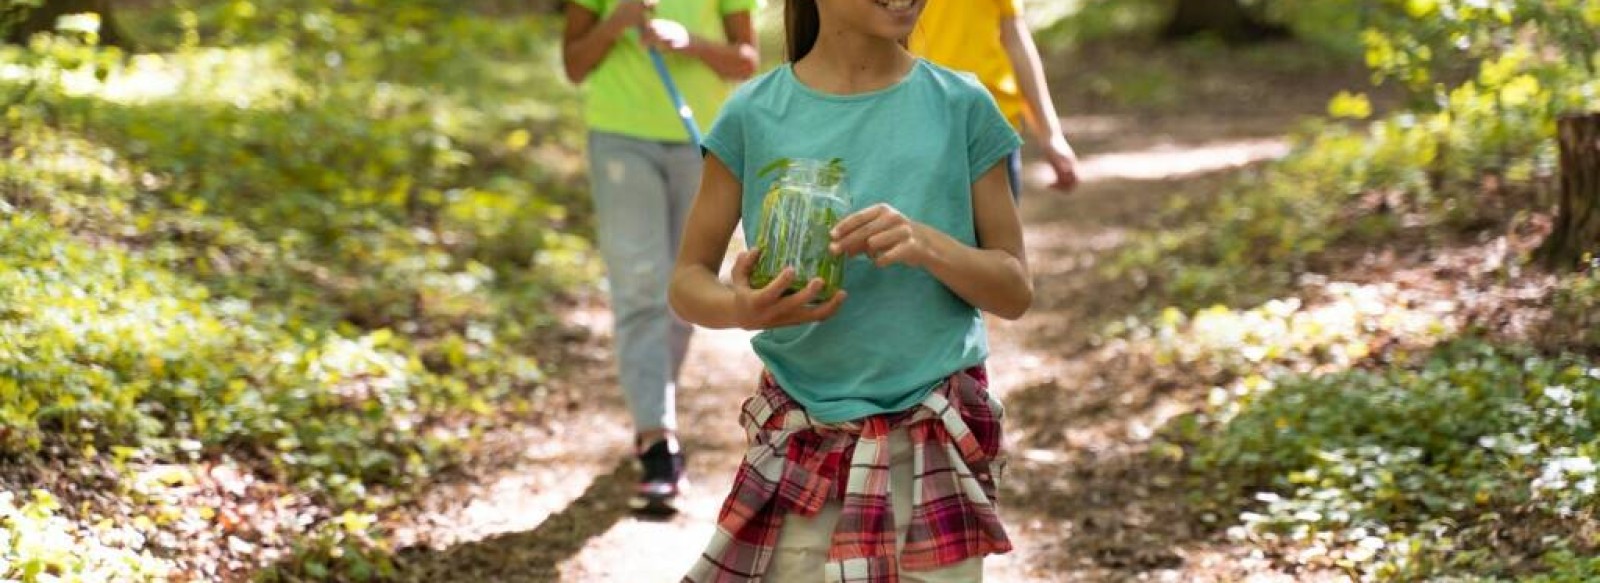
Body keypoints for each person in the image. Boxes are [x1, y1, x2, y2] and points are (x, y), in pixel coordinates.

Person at [669, 0, 1030, 578]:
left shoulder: (962, 105)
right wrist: (739, 307)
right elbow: (687, 281)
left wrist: (925, 242)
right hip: (804, 445)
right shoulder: (752, 113)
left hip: (936, 436)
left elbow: (1014, 289)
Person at [561, 0, 758, 513]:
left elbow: (746, 60)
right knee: (641, 286)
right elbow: (574, 64)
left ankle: (654, 408)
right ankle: (657, 436)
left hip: (701, 143)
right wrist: (617, 22)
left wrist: (688, 42)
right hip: (620, 139)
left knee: (683, 288)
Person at [910, 0, 1081, 195]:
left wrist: (1050, 135)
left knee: (999, 225)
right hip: (921, 125)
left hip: (993, 127)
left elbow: (1015, 39)